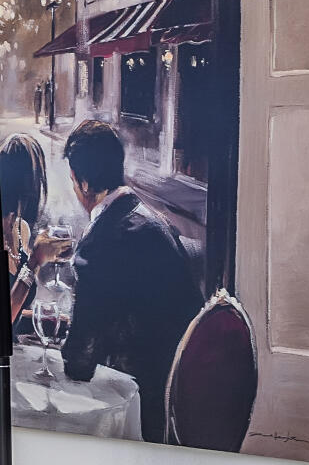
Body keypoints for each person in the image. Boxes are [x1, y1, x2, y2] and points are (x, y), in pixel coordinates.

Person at [58, 119, 201, 440]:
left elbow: (80, 361)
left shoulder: (99, 243)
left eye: (73, 180)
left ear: (82, 183)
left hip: (135, 404)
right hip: (176, 395)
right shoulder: (153, 221)